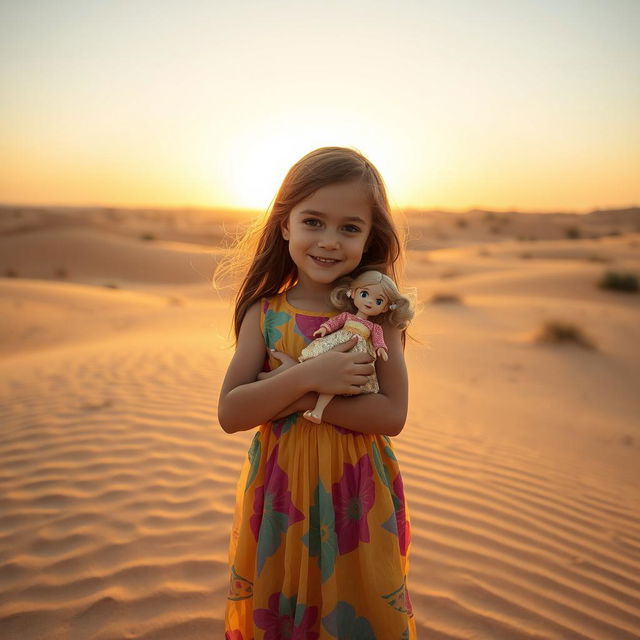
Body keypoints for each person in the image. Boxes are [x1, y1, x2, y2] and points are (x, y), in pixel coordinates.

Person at [217, 146, 417, 639]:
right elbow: (230, 412)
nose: (329, 241)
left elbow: (392, 415)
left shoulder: (377, 317)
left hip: (356, 493)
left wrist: (305, 397)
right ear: (285, 224)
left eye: (350, 227)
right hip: (282, 494)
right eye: (313, 222)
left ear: (370, 237)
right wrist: (307, 376)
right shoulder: (263, 314)